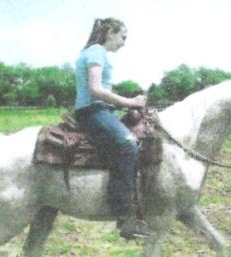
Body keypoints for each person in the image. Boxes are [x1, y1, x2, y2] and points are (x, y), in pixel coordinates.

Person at [73, 17, 151, 239]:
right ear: (110, 33)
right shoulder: (96, 52)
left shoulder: (98, 53)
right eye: (123, 36)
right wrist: (130, 102)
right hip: (93, 111)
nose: (124, 42)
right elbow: (96, 89)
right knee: (128, 145)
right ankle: (124, 215)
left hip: (102, 110)